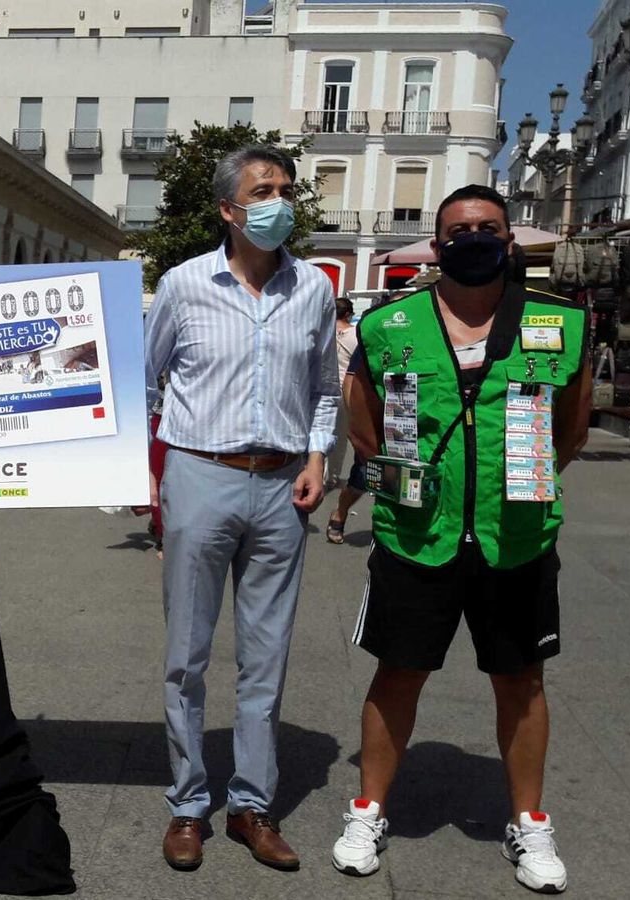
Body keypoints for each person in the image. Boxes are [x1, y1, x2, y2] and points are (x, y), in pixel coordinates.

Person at [331, 184, 589, 894]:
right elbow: (363, 422)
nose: (474, 237)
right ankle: (369, 807)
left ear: (508, 240)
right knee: (398, 673)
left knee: (522, 681)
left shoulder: (560, 323)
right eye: (459, 229)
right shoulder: (391, 323)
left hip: (518, 536)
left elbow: (572, 427)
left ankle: (530, 821)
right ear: (438, 243)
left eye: (489, 227)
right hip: (420, 534)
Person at [140, 145, 339, 873]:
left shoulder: (313, 287)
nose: (278, 201)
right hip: (202, 474)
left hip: (284, 483)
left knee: (267, 657)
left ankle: (251, 805)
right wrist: (157, 473)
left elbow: (325, 384)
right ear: (228, 208)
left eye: (286, 189)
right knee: (186, 656)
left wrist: (319, 457)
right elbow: (148, 377)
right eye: (263, 190)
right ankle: (189, 804)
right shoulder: (185, 285)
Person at [326, 296, 367, 543]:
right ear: (349, 313)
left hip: (324, 387)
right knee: (339, 437)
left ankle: (318, 470)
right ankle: (331, 476)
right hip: (345, 390)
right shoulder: (354, 335)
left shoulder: (326, 332)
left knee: (322, 432)